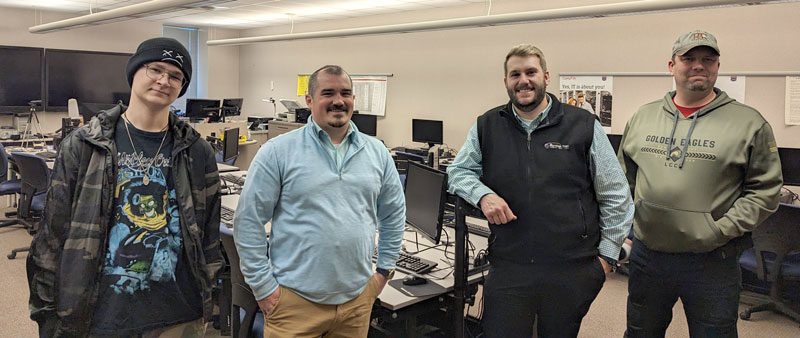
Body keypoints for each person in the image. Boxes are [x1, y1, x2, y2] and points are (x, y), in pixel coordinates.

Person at [26, 37, 223, 337]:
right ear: (133, 73)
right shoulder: (84, 145)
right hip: (98, 313)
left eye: (175, 76)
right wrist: (46, 310)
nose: (164, 80)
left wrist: (207, 300)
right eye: (155, 69)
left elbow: (209, 236)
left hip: (179, 314)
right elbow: (52, 235)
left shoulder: (197, 151)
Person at [447, 44, 634, 338]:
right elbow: (457, 171)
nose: (524, 80)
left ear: (545, 76)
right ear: (506, 82)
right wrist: (483, 195)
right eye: (515, 74)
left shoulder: (582, 125)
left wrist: (605, 260)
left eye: (531, 72)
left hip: (570, 269)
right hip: (511, 265)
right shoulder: (487, 125)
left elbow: (615, 193)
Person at [619, 30, 783, 338]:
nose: (699, 65)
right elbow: (623, 183)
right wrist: (623, 234)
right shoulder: (643, 117)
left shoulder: (749, 123)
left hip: (713, 260)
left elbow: (765, 190)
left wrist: (720, 229)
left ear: (718, 66)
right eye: (689, 58)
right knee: (640, 332)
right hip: (648, 256)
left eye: (708, 59)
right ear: (671, 65)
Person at [233, 65, 406, 337]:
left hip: (356, 302)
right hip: (293, 303)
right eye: (328, 93)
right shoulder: (277, 151)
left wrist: (384, 271)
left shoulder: (377, 152)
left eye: (345, 93)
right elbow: (248, 222)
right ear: (309, 100)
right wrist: (264, 288)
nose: (338, 100)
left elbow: (394, 214)